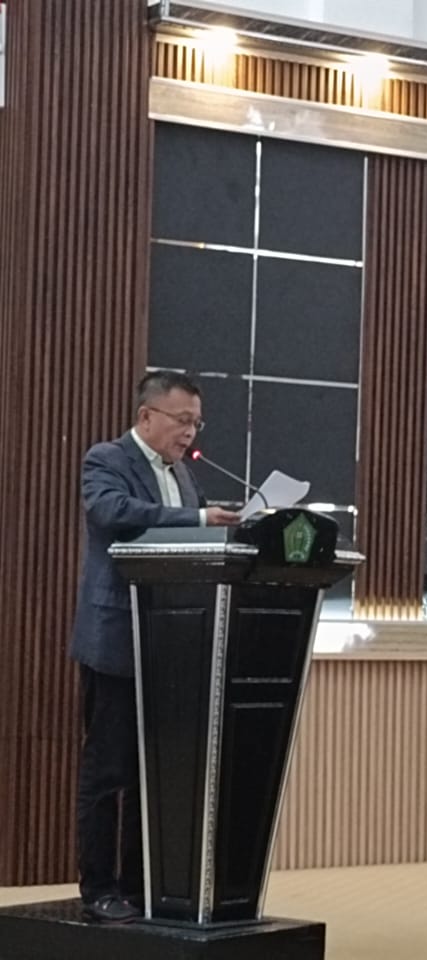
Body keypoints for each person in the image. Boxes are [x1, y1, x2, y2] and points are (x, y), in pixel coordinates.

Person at [70, 370, 240, 923]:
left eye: (197, 423)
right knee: (107, 773)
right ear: (147, 417)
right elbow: (113, 514)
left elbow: (194, 537)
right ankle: (99, 887)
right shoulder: (107, 460)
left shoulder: (184, 476)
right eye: (182, 420)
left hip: (172, 646)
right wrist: (197, 518)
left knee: (154, 774)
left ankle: (141, 885)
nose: (190, 433)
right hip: (117, 641)